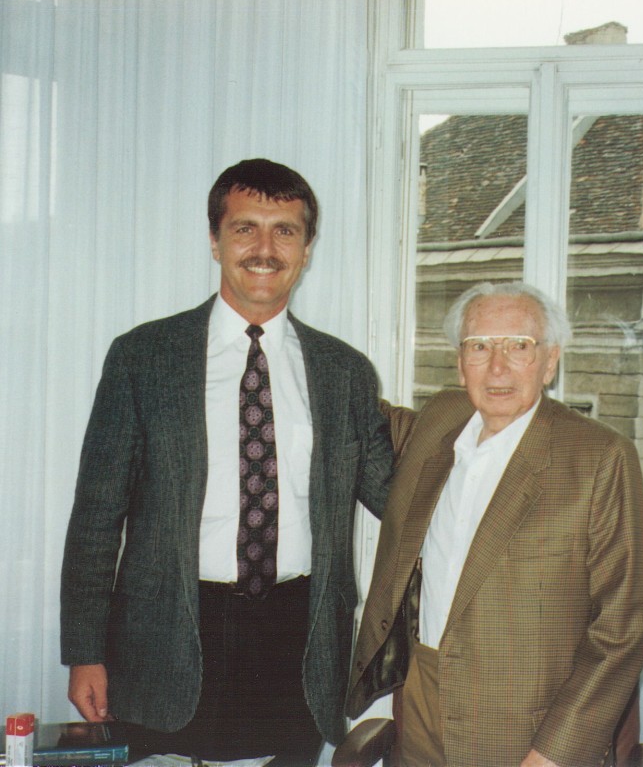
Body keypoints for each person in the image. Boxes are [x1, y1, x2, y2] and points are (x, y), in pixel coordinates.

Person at [60, 158, 394, 766]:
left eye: (285, 230)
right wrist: (85, 648)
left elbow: (398, 496)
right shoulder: (143, 358)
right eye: (245, 228)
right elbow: (95, 516)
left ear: (307, 248)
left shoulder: (344, 372)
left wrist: (482, 430)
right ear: (215, 240)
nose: (265, 248)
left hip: (298, 641)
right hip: (166, 639)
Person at [346, 282, 643, 767]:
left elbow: (626, 624)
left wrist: (555, 751)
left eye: (519, 346)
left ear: (551, 361)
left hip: (526, 722)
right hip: (421, 693)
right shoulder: (440, 420)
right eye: (479, 347)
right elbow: (358, 411)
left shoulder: (599, 457)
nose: (498, 367)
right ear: (459, 362)